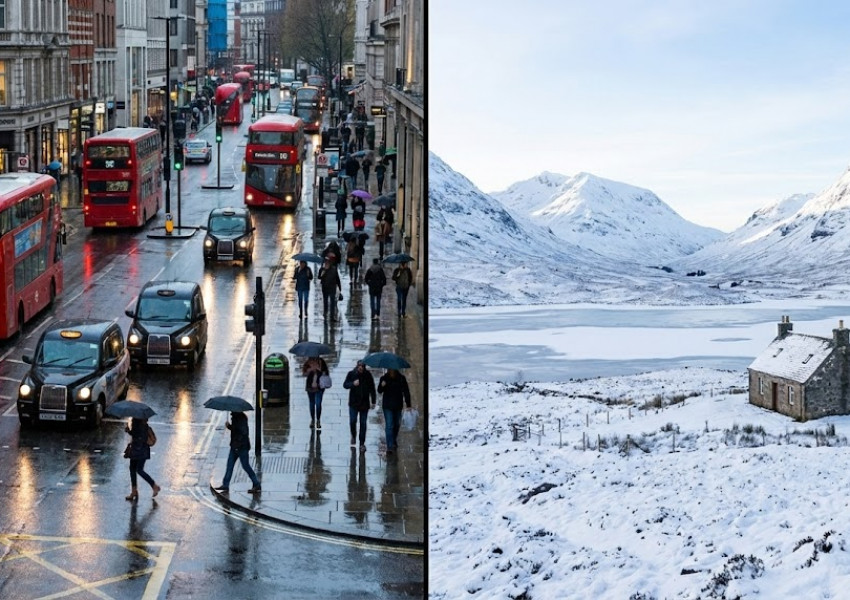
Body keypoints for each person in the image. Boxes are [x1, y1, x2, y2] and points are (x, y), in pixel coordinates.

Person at [214, 411, 262, 493]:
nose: (230, 411)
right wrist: (229, 427)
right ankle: (225, 485)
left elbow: (243, 432)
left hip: (241, 447)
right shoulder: (236, 417)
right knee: (230, 465)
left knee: (246, 466)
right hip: (235, 446)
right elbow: (236, 430)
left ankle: (256, 484)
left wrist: (237, 444)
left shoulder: (241, 418)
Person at [124, 417, 161, 501]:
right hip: (141, 450)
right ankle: (134, 491)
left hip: (138, 450)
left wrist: (129, 430)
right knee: (134, 469)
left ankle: (154, 486)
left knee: (137, 469)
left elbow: (137, 435)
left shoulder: (138, 425)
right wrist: (130, 431)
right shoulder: (145, 426)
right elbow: (137, 435)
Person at [343, 360, 376, 450]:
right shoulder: (351, 374)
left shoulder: (368, 375)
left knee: (363, 423)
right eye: (359, 366)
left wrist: (373, 401)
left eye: (362, 366)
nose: (361, 368)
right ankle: (353, 435)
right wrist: (353, 384)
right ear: (357, 366)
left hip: (364, 404)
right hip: (353, 403)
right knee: (352, 421)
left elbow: (372, 388)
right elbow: (345, 385)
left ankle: (362, 443)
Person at [378, 368, 412, 454]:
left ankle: (393, 439)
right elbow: (379, 390)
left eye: (393, 370)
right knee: (389, 425)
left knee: (396, 424)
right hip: (387, 406)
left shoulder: (401, 378)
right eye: (390, 369)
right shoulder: (384, 378)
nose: (391, 371)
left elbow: (406, 391)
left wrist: (408, 404)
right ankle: (390, 446)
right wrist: (382, 385)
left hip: (398, 405)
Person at [302, 356, 330, 429]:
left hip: (320, 387)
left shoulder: (321, 362)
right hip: (310, 386)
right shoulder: (308, 363)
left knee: (318, 403)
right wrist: (310, 370)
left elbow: (326, 373)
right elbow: (304, 373)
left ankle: (318, 420)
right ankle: (312, 419)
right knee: (311, 403)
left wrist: (318, 369)